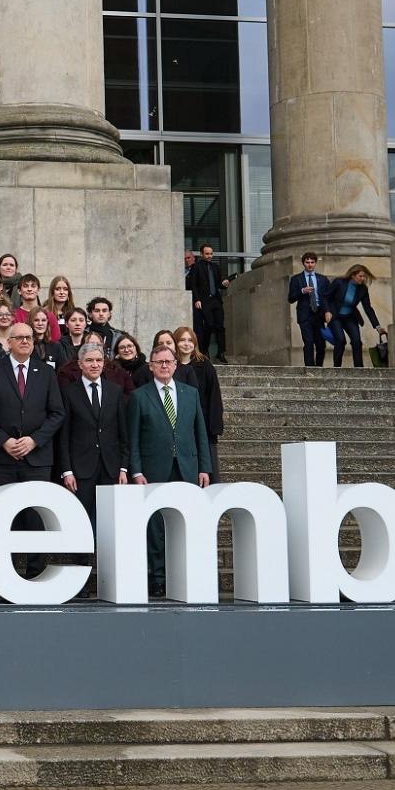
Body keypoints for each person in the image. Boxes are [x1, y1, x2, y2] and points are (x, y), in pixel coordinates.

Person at [0, 323, 68, 578]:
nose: (25, 341)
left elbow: (57, 413)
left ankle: (35, 571)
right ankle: (3, 572)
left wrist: (34, 440)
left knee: (35, 515)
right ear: (9, 342)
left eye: (29, 338)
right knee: (2, 516)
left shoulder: (45, 372)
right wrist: (4, 441)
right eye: (19, 338)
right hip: (1, 458)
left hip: (37, 458)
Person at [126, 346, 212, 595]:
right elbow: (133, 438)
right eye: (159, 362)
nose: (164, 366)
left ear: (176, 365)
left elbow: (201, 433)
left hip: (187, 468)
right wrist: (136, 471)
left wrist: (204, 467)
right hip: (153, 470)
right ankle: (158, 577)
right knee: (155, 527)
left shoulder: (190, 394)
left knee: (187, 523)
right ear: (151, 366)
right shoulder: (139, 396)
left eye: (168, 361)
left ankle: (186, 574)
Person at [56, 343, 128, 526]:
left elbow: (123, 432)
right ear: (80, 364)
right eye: (89, 360)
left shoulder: (115, 391)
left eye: (99, 360)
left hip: (111, 468)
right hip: (80, 469)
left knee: (111, 522)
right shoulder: (68, 392)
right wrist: (67, 471)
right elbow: (63, 436)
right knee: (81, 521)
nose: (95, 364)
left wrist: (123, 468)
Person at [171, 327, 225, 481]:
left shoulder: (205, 364)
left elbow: (214, 396)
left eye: (190, 340)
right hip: (179, 424)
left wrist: (214, 427)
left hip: (203, 425)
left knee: (209, 472)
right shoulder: (170, 366)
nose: (186, 344)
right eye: (182, 340)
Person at [322, 265, 384, 368]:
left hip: (349, 317)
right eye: (360, 276)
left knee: (357, 341)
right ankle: (336, 368)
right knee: (340, 340)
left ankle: (359, 368)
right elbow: (325, 297)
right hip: (335, 316)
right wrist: (327, 311)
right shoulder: (339, 282)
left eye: (364, 276)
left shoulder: (363, 289)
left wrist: (378, 327)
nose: (363, 279)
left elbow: (368, 308)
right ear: (353, 275)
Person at [187, 245, 231, 362]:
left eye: (211, 253)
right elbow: (193, 284)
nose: (209, 256)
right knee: (209, 325)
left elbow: (219, 284)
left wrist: (225, 283)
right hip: (204, 300)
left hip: (216, 300)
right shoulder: (196, 267)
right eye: (207, 254)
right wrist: (197, 299)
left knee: (220, 326)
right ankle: (204, 349)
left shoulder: (215, 267)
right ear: (202, 254)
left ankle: (221, 352)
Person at [287, 252, 329, 367]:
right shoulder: (296, 279)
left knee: (321, 345)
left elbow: (328, 297)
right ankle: (310, 368)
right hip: (305, 314)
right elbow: (291, 298)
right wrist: (302, 291)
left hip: (319, 315)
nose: (310, 265)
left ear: (315, 263)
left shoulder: (322, 279)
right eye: (307, 262)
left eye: (312, 262)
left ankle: (318, 367)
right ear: (303, 263)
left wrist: (327, 311)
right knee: (308, 342)